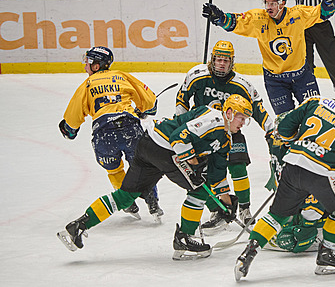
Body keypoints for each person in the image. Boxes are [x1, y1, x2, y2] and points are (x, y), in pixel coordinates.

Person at [57, 94, 253, 261]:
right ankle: (184, 238)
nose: (243, 123)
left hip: (148, 144)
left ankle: (79, 225)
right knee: (198, 191)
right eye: (240, 117)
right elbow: (178, 137)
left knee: (126, 195)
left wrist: (226, 204)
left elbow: (217, 175)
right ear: (228, 113)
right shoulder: (214, 121)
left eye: (246, 119)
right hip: (164, 149)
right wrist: (193, 164)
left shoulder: (225, 139)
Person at [234, 79, 335, 280]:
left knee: (277, 215)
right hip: (321, 174)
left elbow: (284, 128)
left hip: (293, 166)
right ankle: (327, 255)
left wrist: (300, 144)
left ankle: (248, 252)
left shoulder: (315, 102)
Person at [175, 40, 275, 226]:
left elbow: (259, 109)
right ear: (212, 59)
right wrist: (181, 124)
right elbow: (182, 98)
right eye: (219, 59)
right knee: (206, 174)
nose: (222, 64)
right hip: (203, 132)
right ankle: (218, 211)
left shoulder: (241, 84)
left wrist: (271, 132)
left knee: (238, 167)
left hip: (231, 129)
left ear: (232, 62)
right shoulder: (197, 75)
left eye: (226, 60)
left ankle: (245, 208)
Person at [59, 46, 161, 221]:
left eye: (88, 63)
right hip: (130, 129)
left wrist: (69, 129)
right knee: (144, 166)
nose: (85, 67)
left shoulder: (87, 84)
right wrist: (145, 110)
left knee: (114, 170)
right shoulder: (121, 76)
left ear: (96, 66)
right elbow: (150, 101)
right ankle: (151, 198)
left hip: (103, 134)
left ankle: (127, 202)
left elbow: (73, 116)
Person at [202, 0, 335, 115]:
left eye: (273, 3)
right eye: (267, 3)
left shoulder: (298, 15)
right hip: (275, 81)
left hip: (302, 76)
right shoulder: (259, 19)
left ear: (283, 3)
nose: (268, 7)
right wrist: (220, 18)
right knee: (285, 122)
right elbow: (236, 22)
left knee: (313, 114)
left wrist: (329, 0)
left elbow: (322, 13)